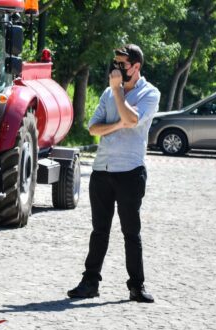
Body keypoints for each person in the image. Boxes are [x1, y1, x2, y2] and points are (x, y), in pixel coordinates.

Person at [67, 44, 159, 303]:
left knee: (131, 231)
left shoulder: (149, 93)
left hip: (130, 171)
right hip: (102, 170)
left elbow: (132, 120)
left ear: (136, 66)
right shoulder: (108, 93)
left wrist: (119, 94)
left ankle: (136, 286)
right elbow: (93, 128)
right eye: (115, 63)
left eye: (122, 65)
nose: (116, 69)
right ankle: (90, 282)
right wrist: (117, 121)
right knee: (99, 230)